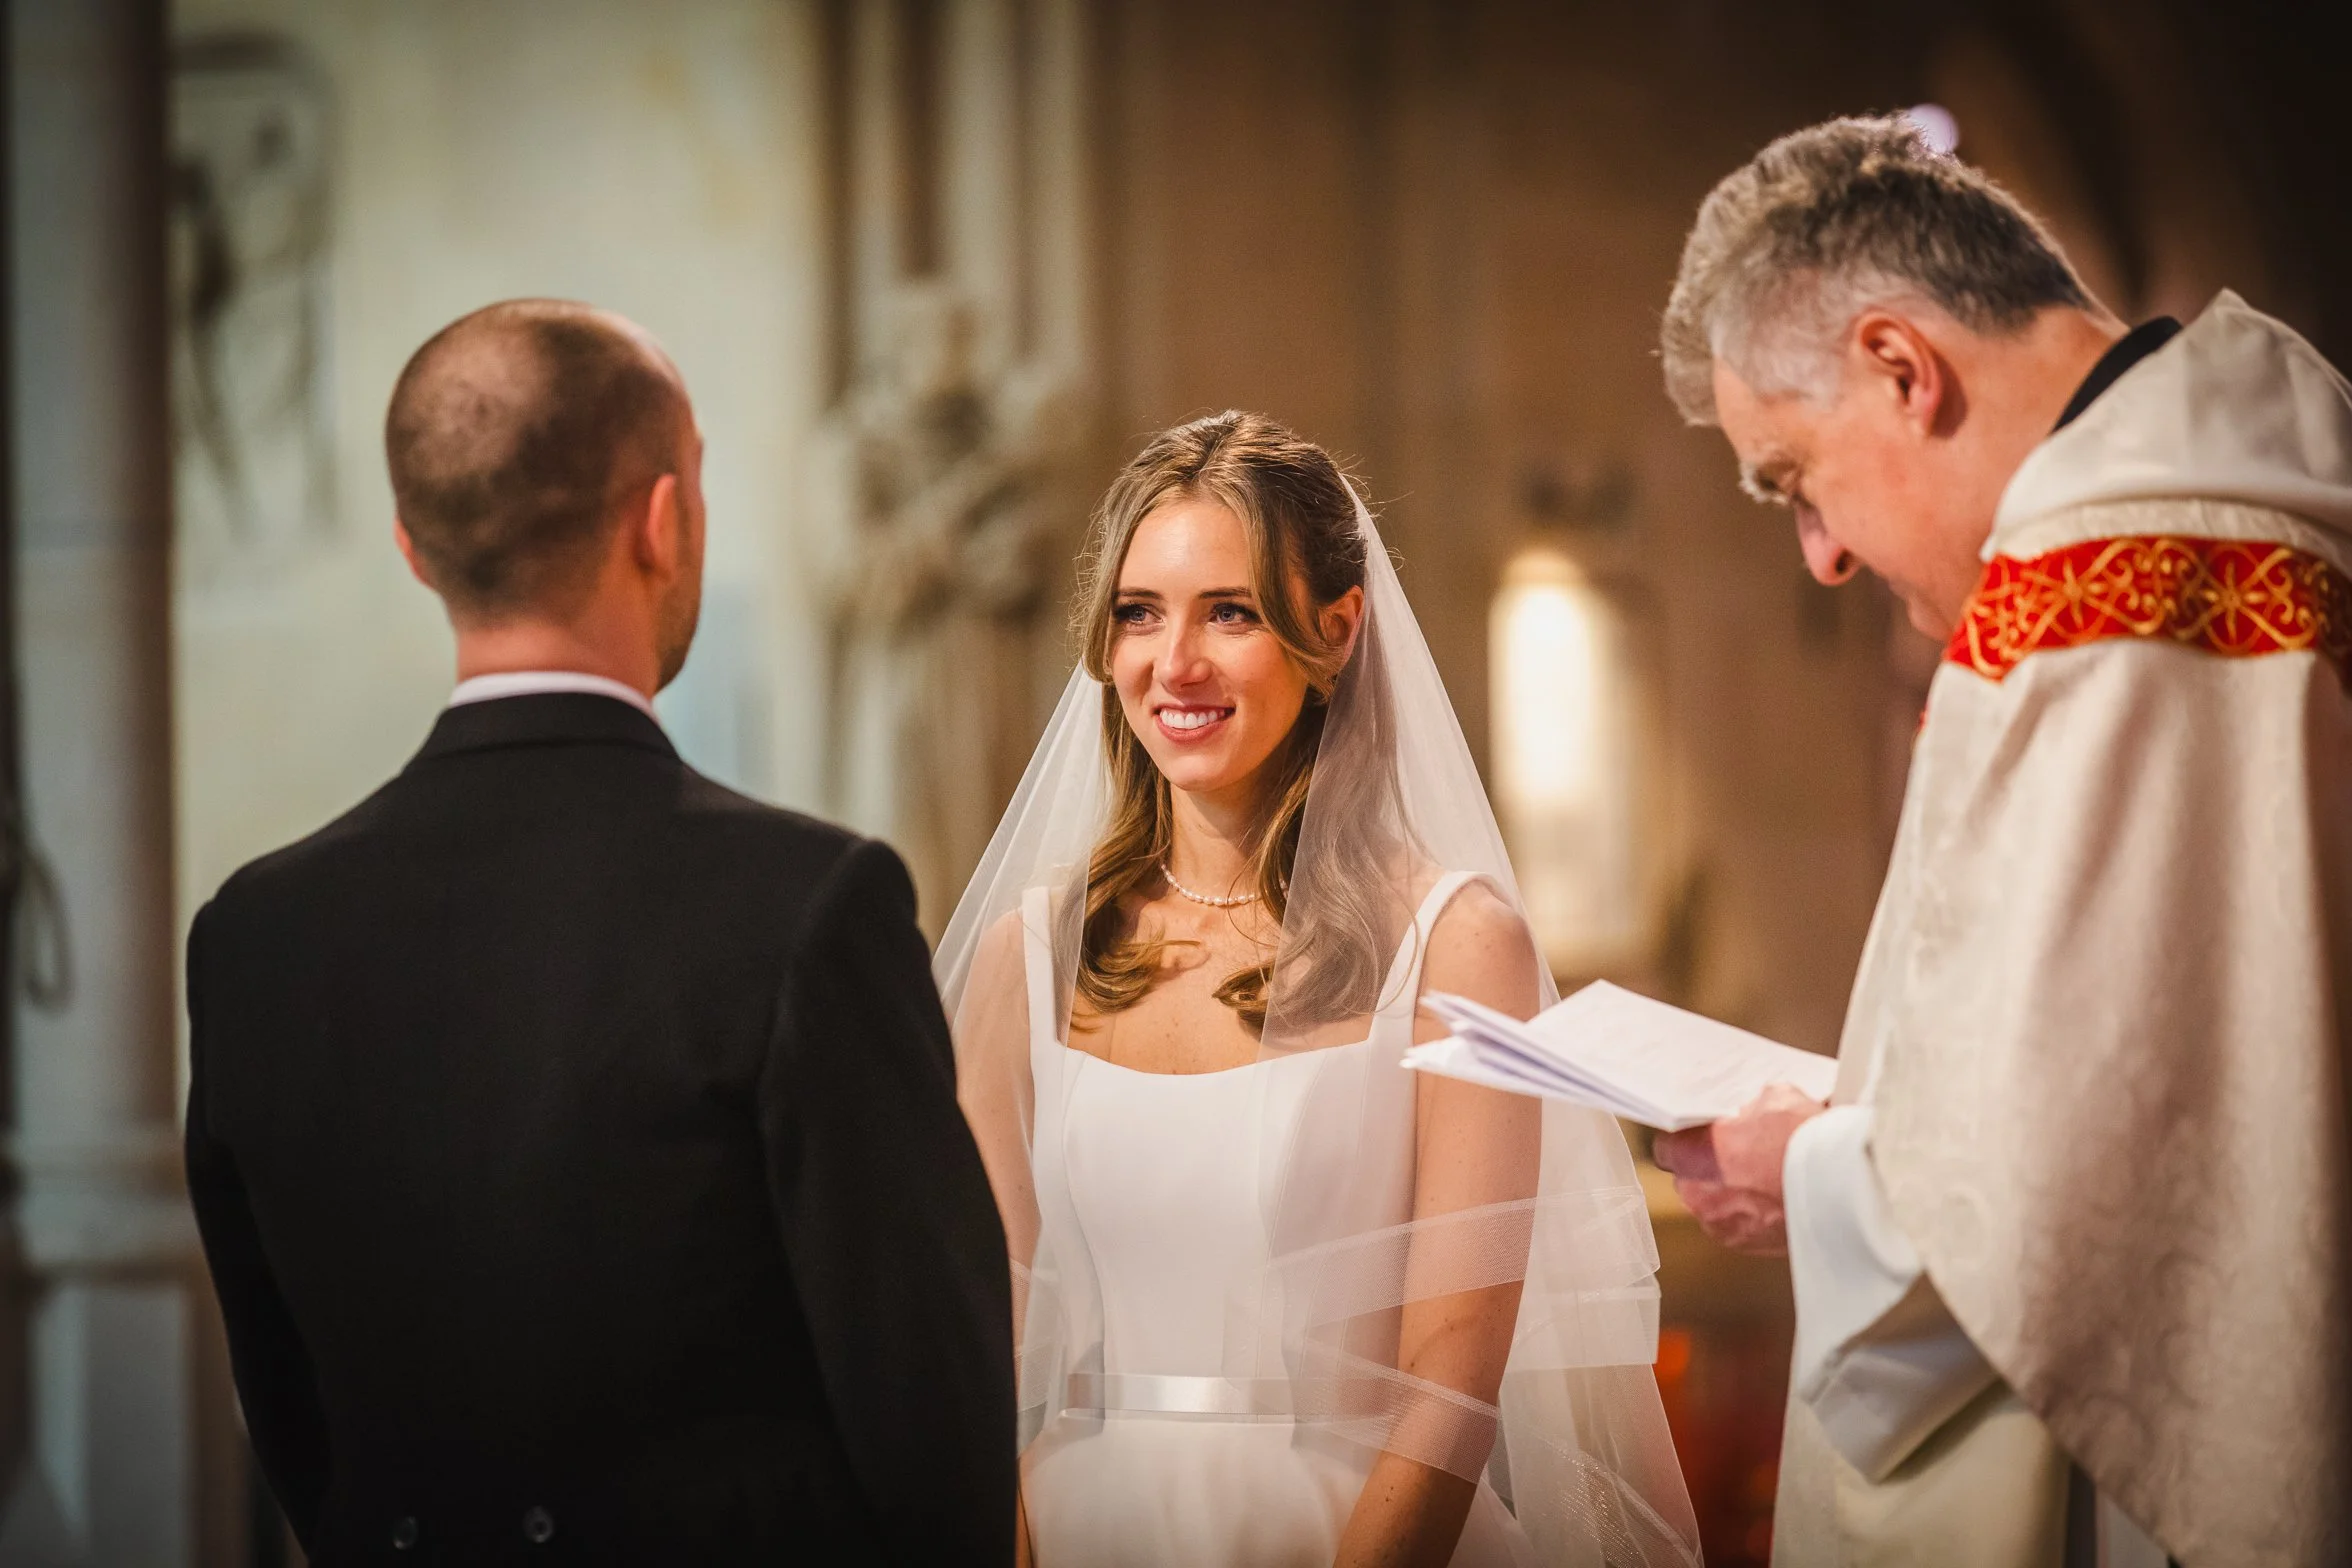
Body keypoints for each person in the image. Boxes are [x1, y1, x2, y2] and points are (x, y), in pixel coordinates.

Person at [183, 299, 1017, 1564]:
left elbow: (291, 1414)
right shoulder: (806, 905)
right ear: (663, 521)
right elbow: (936, 1436)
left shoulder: (251, 933)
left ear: (415, 547)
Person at [1651, 116, 2349, 1568]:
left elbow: (2063, 1187)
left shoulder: (2108, 590)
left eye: (1794, 479)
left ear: (1905, 371)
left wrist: (1814, 1171)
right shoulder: (2279, 462)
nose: (1822, 553)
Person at [938, 411, 1699, 1567]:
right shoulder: (1031, 958)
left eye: (1229, 611)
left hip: (1351, 1528)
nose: (1173, 662)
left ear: (1336, 632)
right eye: (1139, 612)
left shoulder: (1453, 946)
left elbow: (1451, 1381)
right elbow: (977, 1348)